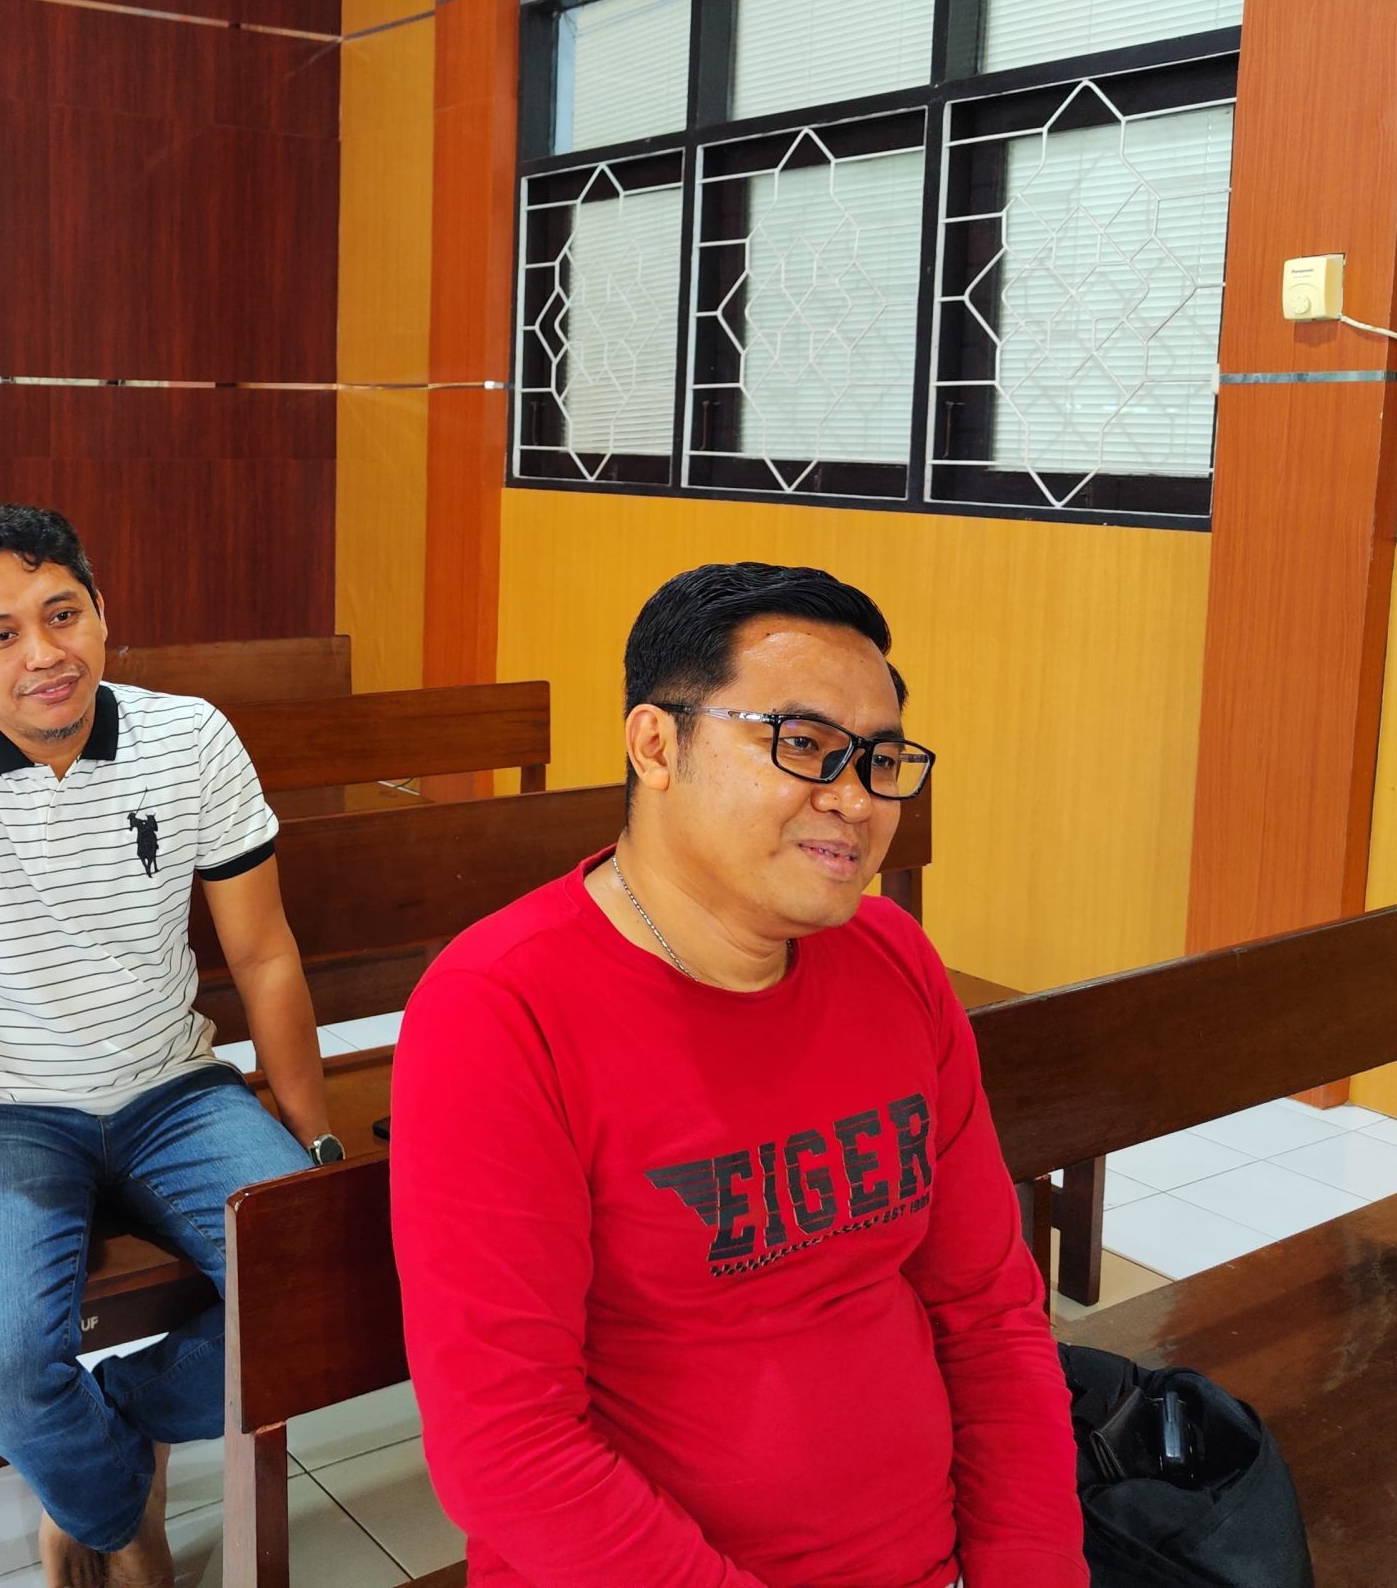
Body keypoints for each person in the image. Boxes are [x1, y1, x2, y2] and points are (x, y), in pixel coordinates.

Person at [389, 562, 1085, 1588]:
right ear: (656, 745)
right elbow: (508, 1451)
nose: (853, 798)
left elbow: (988, 1311)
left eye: (880, 759)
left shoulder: (893, 958)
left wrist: (1030, 1566)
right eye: (802, 744)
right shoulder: (499, 1009)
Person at [0, 503, 341, 1588]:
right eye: (1, 633)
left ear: (102, 611)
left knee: (335, 1288)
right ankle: (114, 1511)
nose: (44, 654)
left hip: (174, 1089)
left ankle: (116, 1428)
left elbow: (263, 953)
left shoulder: (188, 736)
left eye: (63, 615)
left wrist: (314, 1150)